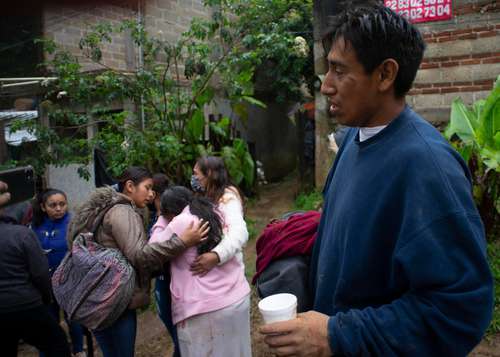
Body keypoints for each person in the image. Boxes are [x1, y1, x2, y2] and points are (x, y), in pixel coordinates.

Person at [261, 4, 493, 356]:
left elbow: (459, 310)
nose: (325, 86)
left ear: (385, 75)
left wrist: (338, 335)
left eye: (339, 71)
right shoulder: (355, 140)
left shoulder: (427, 167)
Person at [66, 167, 208, 357]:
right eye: (148, 188)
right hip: (117, 300)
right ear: (130, 186)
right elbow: (140, 256)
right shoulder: (123, 212)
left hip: (98, 296)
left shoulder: (105, 207)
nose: (151, 194)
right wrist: (183, 241)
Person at [150, 186, 251, 357]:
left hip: (204, 308)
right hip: (236, 298)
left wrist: (161, 220)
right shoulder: (214, 210)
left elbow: (152, 249)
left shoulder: (181, 221)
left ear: (170, 212)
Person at [0, 181, 72, 357]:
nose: (58, 208)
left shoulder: (70, 223)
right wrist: (46, 297)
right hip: (26, 304)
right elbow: (40, 272)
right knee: (57, 345)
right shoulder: (23, 233)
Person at [31, 188, 86, 357]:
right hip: (44, 285)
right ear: (43, 207)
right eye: (53, 205)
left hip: (69, 282)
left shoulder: (75, 224)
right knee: (49, 322)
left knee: (73, 319)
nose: (58, 208)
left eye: (62, 204)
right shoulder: (35, 226)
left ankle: (78, 350)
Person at [189, 156, 249, 277]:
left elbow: (240, 232)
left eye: (196, 174)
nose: (194, 178)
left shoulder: (228, 198)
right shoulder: (208, 195)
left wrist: (217, 255)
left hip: (229, 275)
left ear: (209, 174)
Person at [148, 173, 181, 357]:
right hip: (164, 284)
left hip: (175, 286)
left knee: (181, 340)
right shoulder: (157, 220)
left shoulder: (178, 219)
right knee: (178, 339)